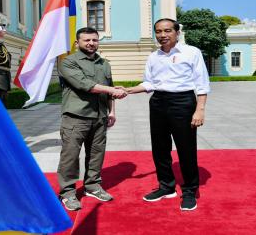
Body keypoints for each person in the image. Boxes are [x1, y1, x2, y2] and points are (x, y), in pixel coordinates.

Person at [124, 18, 210, 211]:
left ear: (177, 32)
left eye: (167, 31)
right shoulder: (154, 56)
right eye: (159, 31)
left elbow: (202, 84)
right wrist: (129, 90)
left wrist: (200, 109)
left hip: (183, 102)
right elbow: (149, 83)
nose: (162, 35)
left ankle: (189, 190)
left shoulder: (191, 52)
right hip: (158, 103)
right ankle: (166, 187)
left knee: (186, 149)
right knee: (160, 148)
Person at [57, 27, 127, 211]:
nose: (91, 43)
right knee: (70, 156)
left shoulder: (104, 63)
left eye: (94, 40)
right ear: (77, 42)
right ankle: (68, 193)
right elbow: (85, 85)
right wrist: (112, 90)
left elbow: (109, 88)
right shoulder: (68, 62)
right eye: (86, 40)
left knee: (97, 153)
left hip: (100, 116)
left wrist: (112, 112)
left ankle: (92, 186)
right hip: (76, 117)